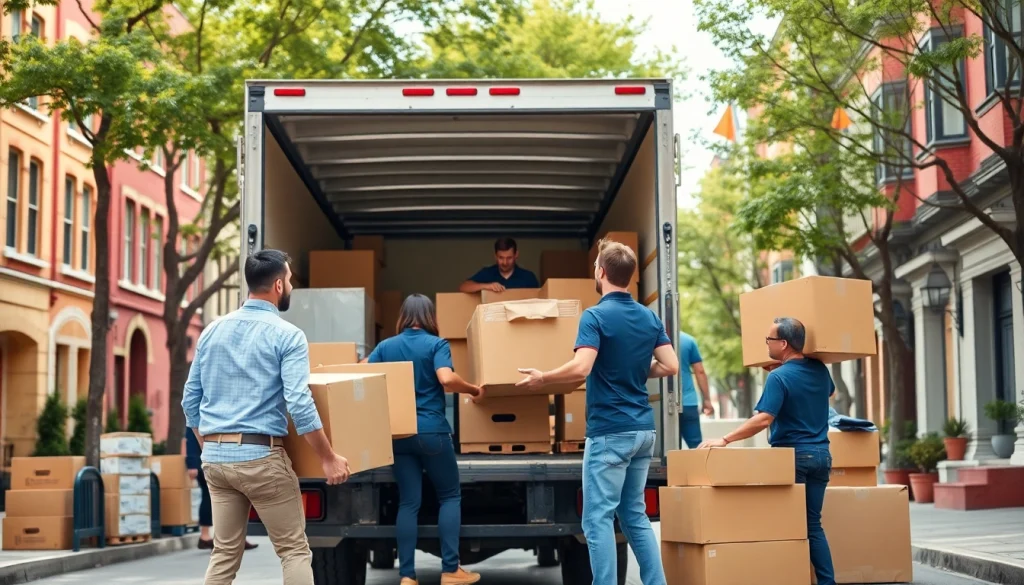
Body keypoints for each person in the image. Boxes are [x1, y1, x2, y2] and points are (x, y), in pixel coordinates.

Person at [182, 249, 351, 585]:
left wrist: (210, 446)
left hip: (216, 460)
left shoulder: (212, 331)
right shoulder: (287, 335)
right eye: (288, 280)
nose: (289, 286)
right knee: (293, 551)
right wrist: (328, 457)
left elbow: (190, 401)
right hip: (261, 457)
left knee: (224, 554)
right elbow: (299, 402)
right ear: (277, 284)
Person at [516, 239, 679, 585]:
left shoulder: (595, 316)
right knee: (634, 514)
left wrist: (543, 377)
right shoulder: (649, 317)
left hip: (610, 432)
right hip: (643, 432)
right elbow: (670, 365)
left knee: (597, 520)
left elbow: (581, 368)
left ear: (601, 272)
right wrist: (633, 367)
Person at [697, 317, 836, 585]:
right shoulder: (819, 369)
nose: (766, 344)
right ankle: (827, 582)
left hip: (793, 459)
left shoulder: (779, 377)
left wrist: (725, 439)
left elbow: (764, 419)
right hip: (821, 456)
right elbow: (827, 393)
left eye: (769, 340)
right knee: (812, 525)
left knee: (785, 528)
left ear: (783, 344)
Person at [362, 294, 485, 585]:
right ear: (430, 317)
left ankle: (407, 577)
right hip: (432, 433)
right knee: (449, 496)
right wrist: (472, 389)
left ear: (403, 316)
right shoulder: (436, 344)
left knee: (409, 503)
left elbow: (361, 371)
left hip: (399, 434)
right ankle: (451, 570)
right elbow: (445, 378)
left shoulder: (385, 346)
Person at [185, 428, 258, 551]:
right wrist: (192, 463)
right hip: (206, 460)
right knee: (214, 497)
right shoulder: (199, 411)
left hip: (215, 458)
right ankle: (211, 536)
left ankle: (224, 536)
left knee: (221, 497)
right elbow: (191, 436)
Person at [458, 237, 539, 293]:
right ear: (495, 256)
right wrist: (486, 286)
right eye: (501, 258)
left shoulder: (528, 277)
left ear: (516, 255)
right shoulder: (487, 273)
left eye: (509, 258)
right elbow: (463, 287)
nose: (505, 262)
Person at [678, 332, 714, 449]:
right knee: (696, 447)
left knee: (665, 449)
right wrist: (707, 400)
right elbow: (700, 371)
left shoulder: (649, 338)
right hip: (688, 403)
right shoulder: (688, 340)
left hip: (661, 405)